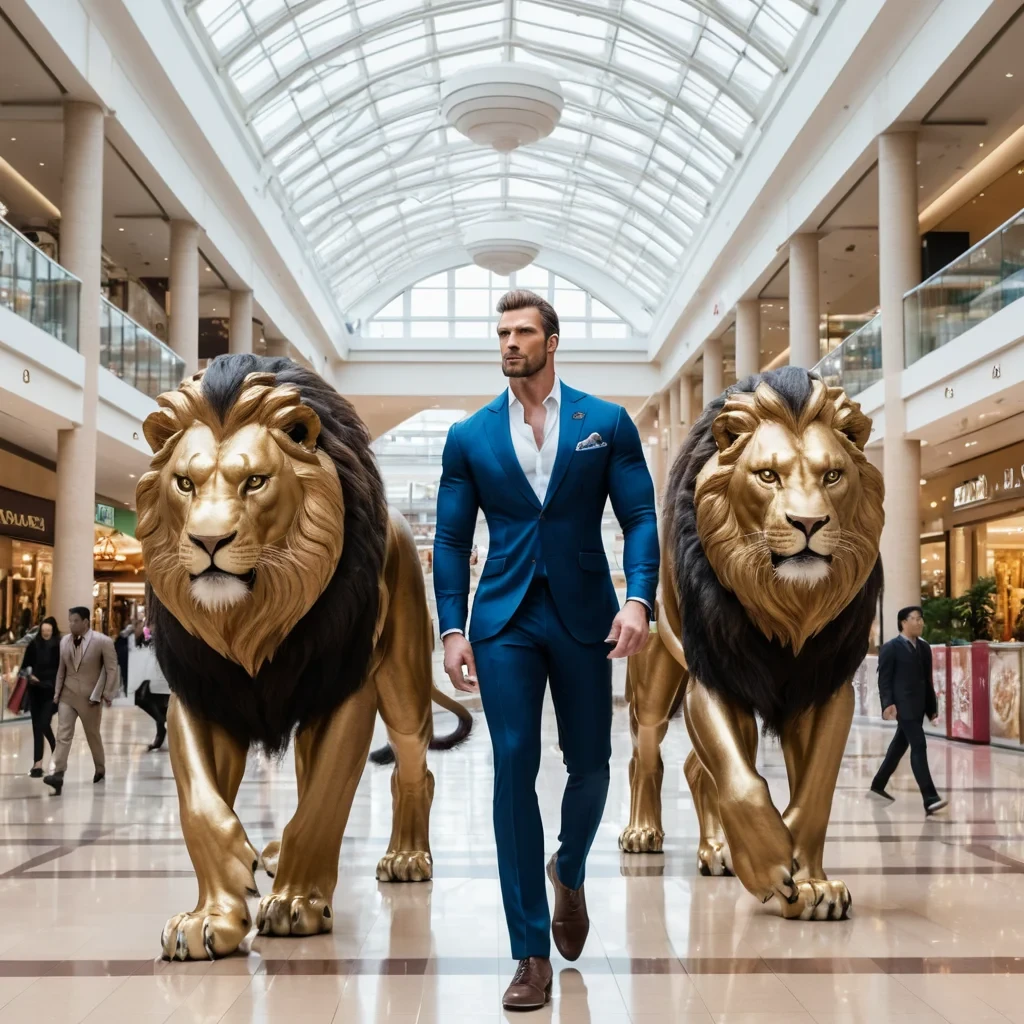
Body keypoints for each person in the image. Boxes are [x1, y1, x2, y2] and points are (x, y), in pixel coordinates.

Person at [433, 289, 658, 1011]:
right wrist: (453, 626)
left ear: (551, 342)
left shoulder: (606, 423)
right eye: (502, 332)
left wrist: (637, 598)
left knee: (591, 763)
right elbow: (448, 538)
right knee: (512, 763)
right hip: (503, 618)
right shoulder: (470, 436)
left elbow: (641, 516)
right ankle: (529, 951)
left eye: (523, 332)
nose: (509, 343)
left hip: (586, 612)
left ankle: (571, 867)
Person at [870, 606, 948, 814]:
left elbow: (927, 679)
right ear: (903, 622)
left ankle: (878, 784)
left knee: (899, 745)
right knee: (919, 744)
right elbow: (884, 680)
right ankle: (929, 797)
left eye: (921, 619)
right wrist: (887, 704)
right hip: (903, 706)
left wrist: (932, 708)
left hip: (919, 705)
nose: (920, 623)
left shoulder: (924, 648)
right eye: (915, 619)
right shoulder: (890, 648)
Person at [43, 607, 119, 796]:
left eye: (75, 620)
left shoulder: (103, 641)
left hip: (90, 698)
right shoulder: (64, 641)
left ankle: (100, 768)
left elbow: (112, 669)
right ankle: (58, 774)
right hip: (67, 695)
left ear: (86, 621)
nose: (71, 624)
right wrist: (57, 692)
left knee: (92, 734)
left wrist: (107, 694)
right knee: (63, 734)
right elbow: (62, 669)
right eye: (70, 620)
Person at [19, 616, 60, 777]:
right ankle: (37, 764)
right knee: (36, 726)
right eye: (43, 631)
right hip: (35, 690)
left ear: (53, 630)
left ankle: (55, 747)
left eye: (48, 631)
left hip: (51, 691)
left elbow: (63, 669)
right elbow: (24, 667)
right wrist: (30, 675)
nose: (46, 633)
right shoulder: (34, 645)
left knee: (43, 722)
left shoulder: (58, 646)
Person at [129, 623, 170, 750]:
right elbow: (141, 644)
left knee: (157, 702)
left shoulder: (166, 636)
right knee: (141, 698)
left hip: (162, 675)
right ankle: (161, 724)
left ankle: (161, 730)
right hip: (150, 674)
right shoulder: (150, 635)